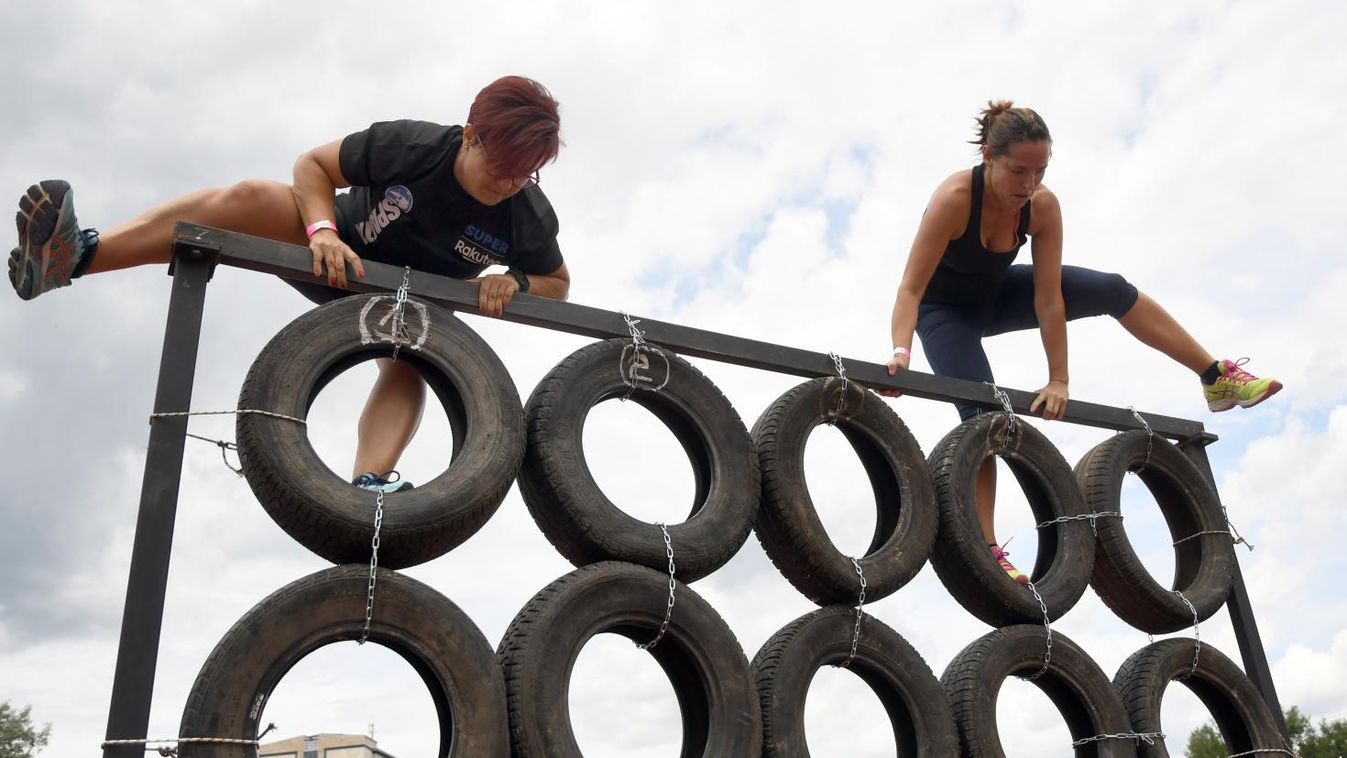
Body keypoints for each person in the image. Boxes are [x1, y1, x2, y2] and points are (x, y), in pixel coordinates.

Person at [9, 75, 570, 494]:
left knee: (414, 362)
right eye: (502, 167)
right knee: (252, 196)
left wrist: (515, 280)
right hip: (336, 258)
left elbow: (557, 282)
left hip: (408, 306)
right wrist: (323, 231)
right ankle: (78, 258)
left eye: (527, 172)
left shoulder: (527, 214)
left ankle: (368, 486)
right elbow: (314, 165)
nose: (510, 183)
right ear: (471, 136)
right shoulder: (417, 147)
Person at [883, 101, 1281, 584]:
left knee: (1111, 288)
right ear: (988, 156)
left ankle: (1216, 379)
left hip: (998, 296)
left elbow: (1049, 300)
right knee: (982, 417)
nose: (1028, 184)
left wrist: (1059, 379)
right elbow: (910, 288)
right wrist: (901, 352)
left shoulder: (1042, 206)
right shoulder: (954, 199)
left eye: (1040, 170)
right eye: (1017, 171)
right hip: (943, 312)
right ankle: (988, 549)